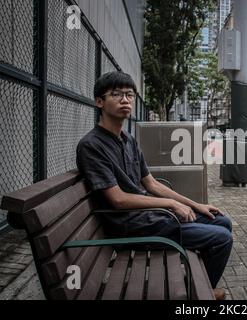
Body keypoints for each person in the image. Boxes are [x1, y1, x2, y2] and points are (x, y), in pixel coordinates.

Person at [76, 71, 232, 300]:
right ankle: (198, 295)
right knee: (221, 238)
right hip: (131, 225)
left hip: (150, 216)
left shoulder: (128, 139)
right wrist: (170, 204)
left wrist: (196, 204)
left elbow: (151, 183)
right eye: (116, 94)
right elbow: (118, 200)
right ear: (99, 101)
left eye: (129, 95)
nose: (125, 100)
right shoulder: (91, 145)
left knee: (221, 220)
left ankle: (200, 288)